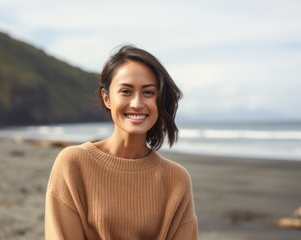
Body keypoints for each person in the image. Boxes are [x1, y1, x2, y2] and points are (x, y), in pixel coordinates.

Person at [45, 45, 198, 239]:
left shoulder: (177, 179)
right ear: (107, 98)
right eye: (126, 91)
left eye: (148, 92)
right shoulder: (73, 163)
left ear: (159, 100)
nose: (137, 103)